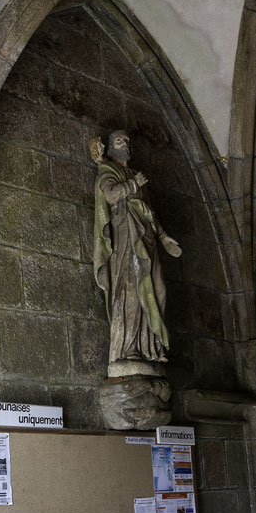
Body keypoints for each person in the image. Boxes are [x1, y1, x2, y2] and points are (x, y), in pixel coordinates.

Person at [93, 130, 182, 365]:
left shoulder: (135, 174)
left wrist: (163, 236)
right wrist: (133, 184)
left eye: (127, 140)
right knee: (131, 289)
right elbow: (111, 195)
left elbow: (148, 210)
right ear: (111, 147)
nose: (125, 143)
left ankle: (151, 346)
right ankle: (129, 348)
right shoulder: (108, 170)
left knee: (158, 288)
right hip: (126, 236)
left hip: (146, 235)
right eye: (119, 140)